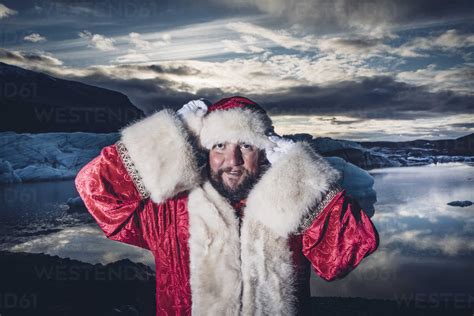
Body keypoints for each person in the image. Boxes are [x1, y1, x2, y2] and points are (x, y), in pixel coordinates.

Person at [75, 96, 379, 315]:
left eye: (245, 145)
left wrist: (305, 179)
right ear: (204, 149)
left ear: (263, 152)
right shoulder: (170, 211)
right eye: (220, 145)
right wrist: (164, 140)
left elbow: (343, 255)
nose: (232, 161)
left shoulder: (288, 206)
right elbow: (95, 189)